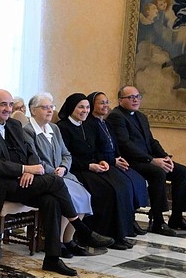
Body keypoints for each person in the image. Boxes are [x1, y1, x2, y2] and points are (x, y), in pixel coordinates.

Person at [0, 90, 113, 277]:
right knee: (55, 181)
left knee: (51, 201)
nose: (8, 109)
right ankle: (81, 229)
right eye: (3, 104)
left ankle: (52, 259)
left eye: (10, 105)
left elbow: (29, 151)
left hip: (19, 182)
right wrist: (25, 170)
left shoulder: (13, 124)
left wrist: (31, 166)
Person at [22, 93, 113, 255]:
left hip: (62, 173)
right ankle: (58, 242)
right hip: (44, 176)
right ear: (33, 111)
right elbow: (34, 160)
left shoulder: (54, 129)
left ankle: (68, 240)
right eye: (45, 107)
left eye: (51, 107)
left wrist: (63, 168)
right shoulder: (27, 131)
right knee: (69, 197)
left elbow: (67, 154)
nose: (50, 111)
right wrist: (54, 171)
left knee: (84, 195)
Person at [107, 86, 186, 236]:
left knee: (182, 172)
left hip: (149, 159)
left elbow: (151, 141)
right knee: (158, 173)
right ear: (120, 100)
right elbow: (125, 145)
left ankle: (177, 217)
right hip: (131, 161)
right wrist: (152, 160)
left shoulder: (141, 116)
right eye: (131, 97)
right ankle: (158, 221)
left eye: (138, 96)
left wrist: (165, 157)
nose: (135, 100)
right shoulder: (116, 116)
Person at [57, 93, 138, 251]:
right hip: (78, 170)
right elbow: (66, 156)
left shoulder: (86, 125)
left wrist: (100, 161)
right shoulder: (63, 127)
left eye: (87, 107)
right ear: (72, 108)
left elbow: (94, 150)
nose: (85, 111)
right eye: (81, 107)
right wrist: (89, 166)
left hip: (92, 167)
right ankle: (98, 233)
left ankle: (118, 234)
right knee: (107, 191)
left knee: (121, 185)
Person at [88, 91, 149, 233]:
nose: (105, 105)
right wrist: (113, 161)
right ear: (92, 105)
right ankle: (118, 229)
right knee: (122, 185)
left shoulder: (105, 123)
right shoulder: (90, 124)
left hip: (113, 161)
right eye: (101, 103)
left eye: (107, 102)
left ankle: (130, 220)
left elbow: (115, 145)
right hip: (103, 163)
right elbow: (94, 151)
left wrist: (119, 158)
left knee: (136, 179)